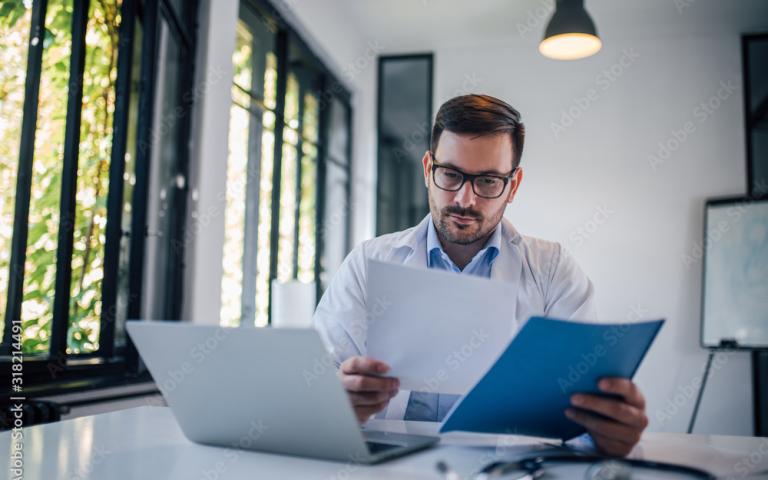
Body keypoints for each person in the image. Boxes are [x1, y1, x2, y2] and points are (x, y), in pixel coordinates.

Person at [313, 94, 648, 456]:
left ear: (513, 185)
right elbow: (312, 385)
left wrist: (606, 432)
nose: (464, 200)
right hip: (389, 465)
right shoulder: (368, 263)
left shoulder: (553, 271)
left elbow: (580, 412)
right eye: (451, 175)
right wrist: (334, 400)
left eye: (487, 181)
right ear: (428, 170)